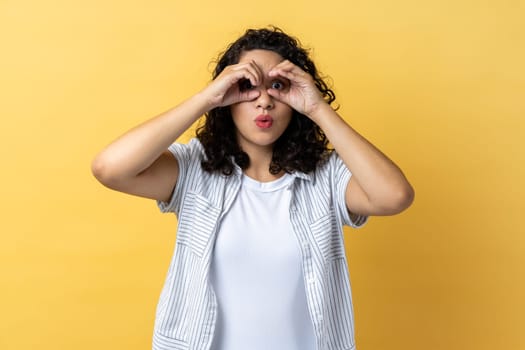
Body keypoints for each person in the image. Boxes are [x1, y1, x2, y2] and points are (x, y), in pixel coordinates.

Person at [92, 26, 414, 350]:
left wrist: (317, 108)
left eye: (277, 86)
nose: (263, 101)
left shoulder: (326, 177)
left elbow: (394, 196)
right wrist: (206, 98)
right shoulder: (195, 169)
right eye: (247, 86)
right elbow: (110, 168)